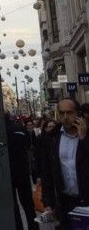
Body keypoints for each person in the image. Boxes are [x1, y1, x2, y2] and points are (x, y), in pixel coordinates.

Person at [41, 98, 89, 229]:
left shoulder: (86, 136)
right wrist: (48, 202)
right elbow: (47, 172)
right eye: (62, 113)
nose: (66, 117)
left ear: (78, 113)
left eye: (70, 112)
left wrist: (84, 139)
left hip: (86, 200)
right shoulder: (52, 138)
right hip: (64, 202)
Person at [5, 114, 37, 229]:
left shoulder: (3, 131)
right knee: (28, 203)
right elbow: (28, 145)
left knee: (14, 205)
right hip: (22, 169)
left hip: (9, 171)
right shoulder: (20, 128)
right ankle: (33, 226)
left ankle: (19, 227)